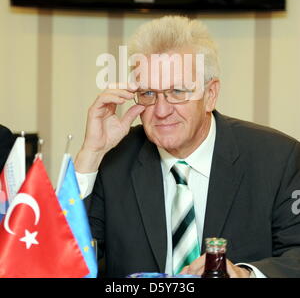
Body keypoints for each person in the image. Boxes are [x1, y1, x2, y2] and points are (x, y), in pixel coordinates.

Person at [75, 16, 300, 278]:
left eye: (177, 91)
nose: (161, 111)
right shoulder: (114, 159)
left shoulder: (278, 158)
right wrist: (91, 154)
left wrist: (246, 275)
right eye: (148, 93)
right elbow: (61, 257)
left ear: (210, 95)